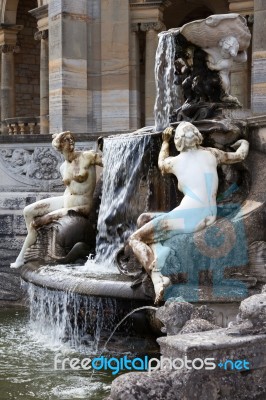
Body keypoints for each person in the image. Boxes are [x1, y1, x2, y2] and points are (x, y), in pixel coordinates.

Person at [129, 121, 249, 304]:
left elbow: (161, 163)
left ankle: (157, 279)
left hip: (189, 217)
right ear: (197, 137)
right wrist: (244, 142)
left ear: (179, 141)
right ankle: (159, 267)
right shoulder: (212, 153)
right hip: (208, 214)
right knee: (145, 219)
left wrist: (165, 142)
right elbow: (240, 155)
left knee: (135, 239)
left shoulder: (175, 161)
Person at [10, 131, 103, 269]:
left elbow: (109, 163)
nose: (71, 141)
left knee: (39, 221)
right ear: (59, 145)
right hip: (68, 200)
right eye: (66, 139)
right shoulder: (63, 167)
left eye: (72, 138)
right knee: (28, 211)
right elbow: (69, 189)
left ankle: (30, 251)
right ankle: (25, 250)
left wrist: (104, 150)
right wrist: (60, 206)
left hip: (83, 205)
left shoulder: (87, 156)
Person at [204, 35, 247, 103]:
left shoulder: (226, 62)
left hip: (223, 80)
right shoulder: (227, 57)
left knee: (223, 93)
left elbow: (213, 67)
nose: (222, 53)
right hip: (219, 77)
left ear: (230, 54)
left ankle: (224, 96)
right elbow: (244, 58)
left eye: (225, 52)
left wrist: (209, 64)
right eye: (222, 50)